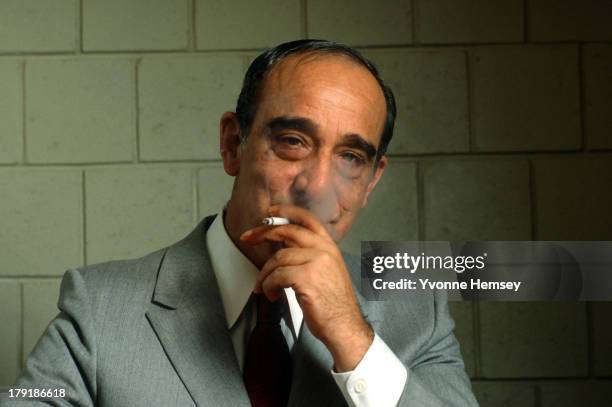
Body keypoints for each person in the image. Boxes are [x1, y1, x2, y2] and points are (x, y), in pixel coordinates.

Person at [4, 40, 478, 407]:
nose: (317, 187)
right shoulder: (99, 307)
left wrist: (352, 337)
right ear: (233, 144)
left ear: (372, 181)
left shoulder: (418, 310)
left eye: (351, 157)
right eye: (293, 141)